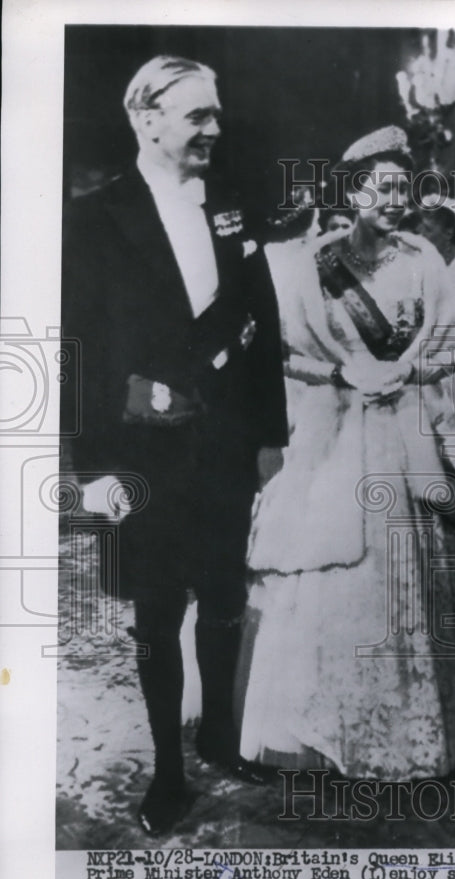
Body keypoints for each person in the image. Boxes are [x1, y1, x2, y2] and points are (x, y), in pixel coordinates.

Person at [236, 126, 455, 782]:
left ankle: (421, 733)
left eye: (403, 187)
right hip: (343, 439)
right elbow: (290, 357)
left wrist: (413, 373)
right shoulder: (314, 265)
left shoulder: (423, 260)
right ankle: (325, 730)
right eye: (381, 187)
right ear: (352, 192)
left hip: (415, 434)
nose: (395, 199)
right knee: (338, 571)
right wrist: (346, 376)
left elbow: (449, 344)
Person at [61, 56, 288, 835]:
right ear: (146, 118)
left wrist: (270, 437)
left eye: (216, 114)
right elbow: (78, 349)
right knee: (157, 611)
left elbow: (265, 329)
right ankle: (167, 772)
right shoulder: (92, 219)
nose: (214, 130)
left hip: (225, 440)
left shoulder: (230, 204)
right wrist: (90, 467)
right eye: (198, 115)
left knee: (226, 594)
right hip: (143, 449)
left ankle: (221, 739)